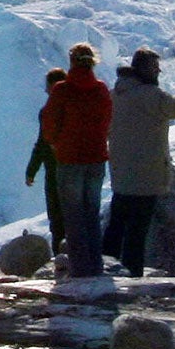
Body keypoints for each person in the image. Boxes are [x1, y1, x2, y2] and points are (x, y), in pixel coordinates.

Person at [102, 49, 175, 277]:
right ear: (144, 69)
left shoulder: (115, 94)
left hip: (121, 174)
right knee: (137, 230)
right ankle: (132, 275)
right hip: (146, 176)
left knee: (115, 226)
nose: (159, 71)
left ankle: (104, 268)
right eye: (155, 67)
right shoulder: (152, 96)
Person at [39, 44, 112, 277]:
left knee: (73, 215)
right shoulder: (101, 89)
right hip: (96, 158)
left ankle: (80, 268)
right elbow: (108, 120)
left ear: (71, 61)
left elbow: (49, 126)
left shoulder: (61, 90)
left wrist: (56, 143)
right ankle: (95, 264)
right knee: (91, 213)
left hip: (69, 159)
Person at [23, 67, 69, 252]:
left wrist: (31, 170)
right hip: (81, 165)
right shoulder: (78, 105)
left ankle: (60, 258)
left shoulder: (49, 110)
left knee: (57, 219)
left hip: (55, 169)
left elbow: (42, 143)